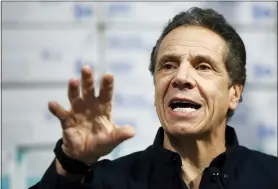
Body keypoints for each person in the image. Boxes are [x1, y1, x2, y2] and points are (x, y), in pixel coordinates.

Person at [30, 7, 277, 189]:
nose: (181, 77)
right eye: (168, 65)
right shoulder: (106, 182)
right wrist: (71, 163)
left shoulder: (271, 176)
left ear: (234, 93)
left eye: (203, 67)